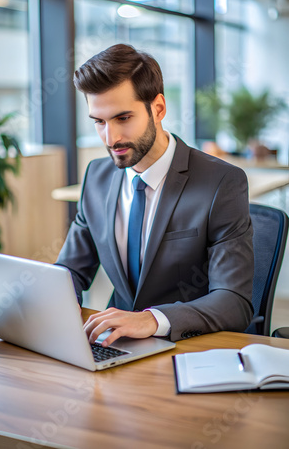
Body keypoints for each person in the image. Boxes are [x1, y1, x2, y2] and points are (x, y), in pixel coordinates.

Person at [56, 44, 254, 347]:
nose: (111, 139)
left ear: (158, 108)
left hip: (188, 350)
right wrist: (34, 302)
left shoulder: (221, 182)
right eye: (99, 121)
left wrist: (151, 319)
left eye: (123, 118)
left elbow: (233, 302)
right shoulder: (96, 177)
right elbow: (71, 270)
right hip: (115, 346)